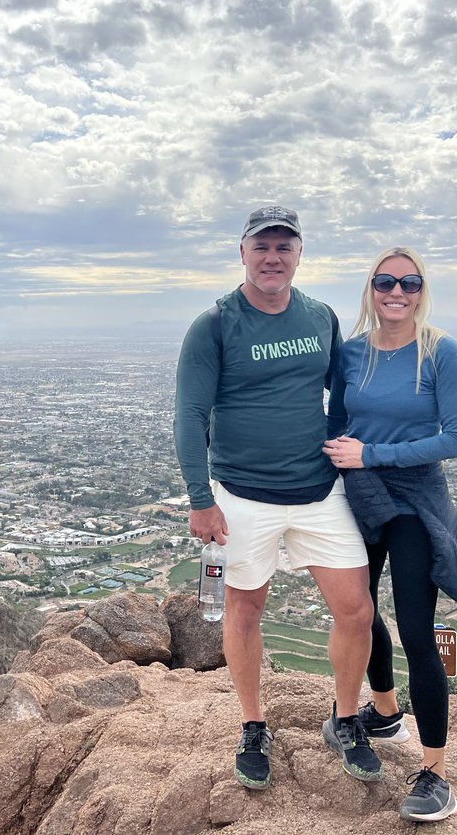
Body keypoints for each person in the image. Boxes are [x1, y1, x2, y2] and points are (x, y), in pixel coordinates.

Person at [174, 204, 381, 791]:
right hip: (242, 494)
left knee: (356, 609)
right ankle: (252, 726)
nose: (273, 257)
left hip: (318, 488)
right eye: (261, 247)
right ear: (242, 253)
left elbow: (339, 396)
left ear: (299, 254)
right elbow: (189, 416)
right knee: (244, 608)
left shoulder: (320, 317)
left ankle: (344, 719)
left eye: (284, 247)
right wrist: (199, 499)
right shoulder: (214, 325)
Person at [323, 247, 457, 822]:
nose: (397, 291)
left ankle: (436, 773)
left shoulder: (440, 351)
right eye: (385, 281)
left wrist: (374, 454)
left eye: (408, 282)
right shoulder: (350, 354)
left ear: (421, 290)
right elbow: (334, 422)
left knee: (418, 631)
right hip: (360, 496)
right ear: (370, 288)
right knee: (356, 613)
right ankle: (385, 711)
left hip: (416, 500)